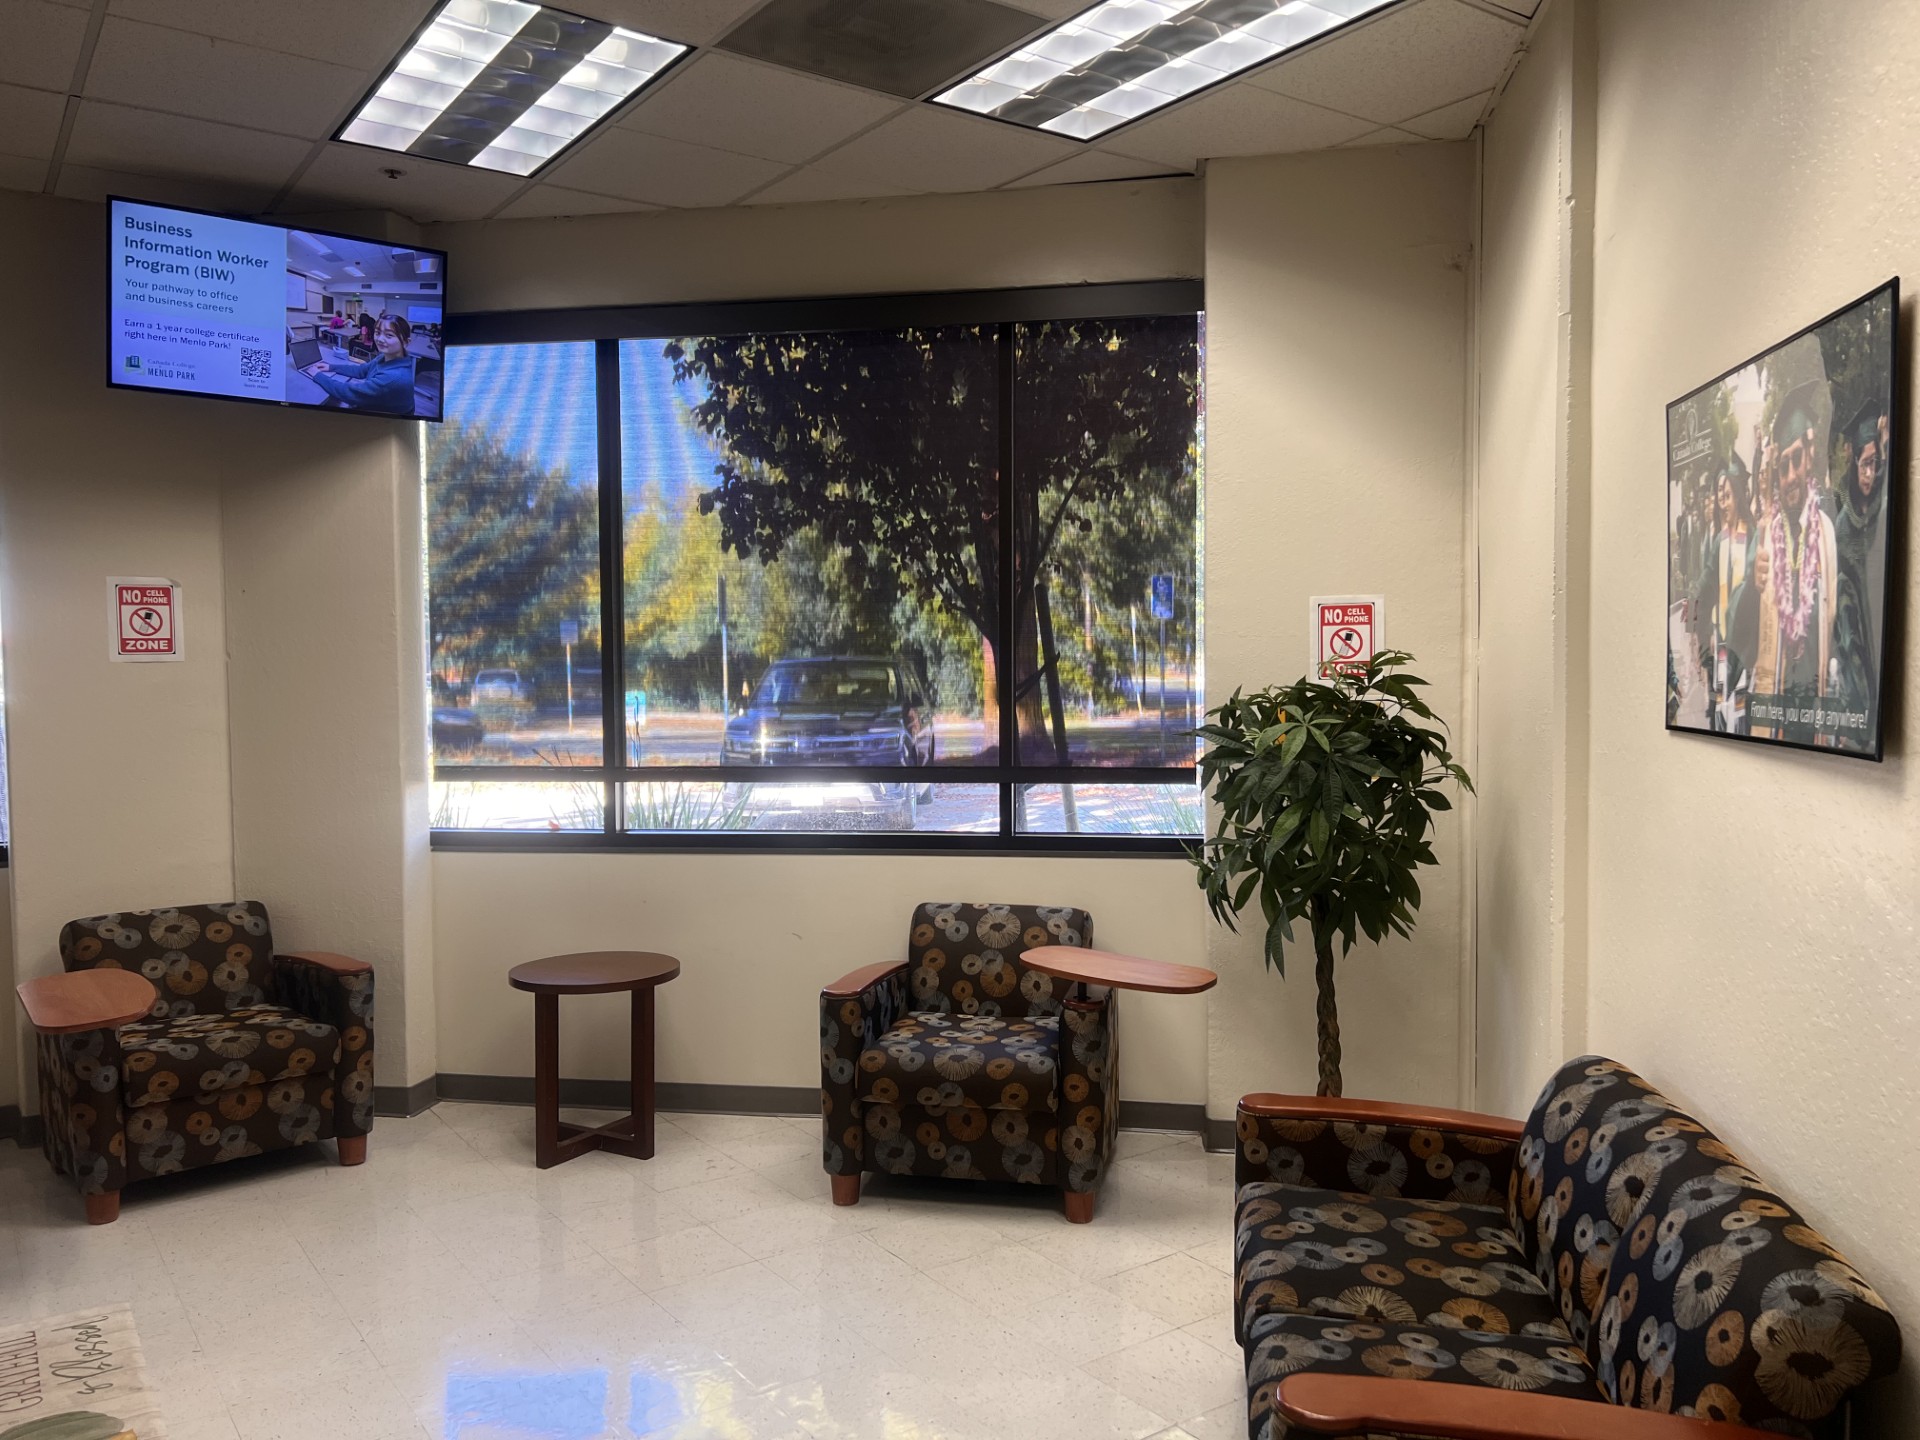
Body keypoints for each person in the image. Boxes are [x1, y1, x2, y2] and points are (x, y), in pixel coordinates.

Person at [1756, 380, 1838, 745]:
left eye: (1796, 461)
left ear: (1809, 458)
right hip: (1776, 709)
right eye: (1783, 465)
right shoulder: (1766, 542)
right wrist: (1751, 585)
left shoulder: (1827, 533)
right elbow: (1742, 630)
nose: (1789, 476)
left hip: (1813, 707)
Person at [1829, 398, 1889, 746]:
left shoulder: (1884, 512)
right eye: (1864, 465)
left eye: (1875, 464)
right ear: (1853, 464)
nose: (1869, 474)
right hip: (1858, 644)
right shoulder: (1843, 527)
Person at [310, 313, 417, 415]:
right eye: (378, 332)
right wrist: (331, 367)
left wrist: (317, 375)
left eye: (389, 335)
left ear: (406, 342)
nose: (379, 339)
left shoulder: (393, 378)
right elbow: (361, 370)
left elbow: (349, 393)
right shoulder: (385, 356)